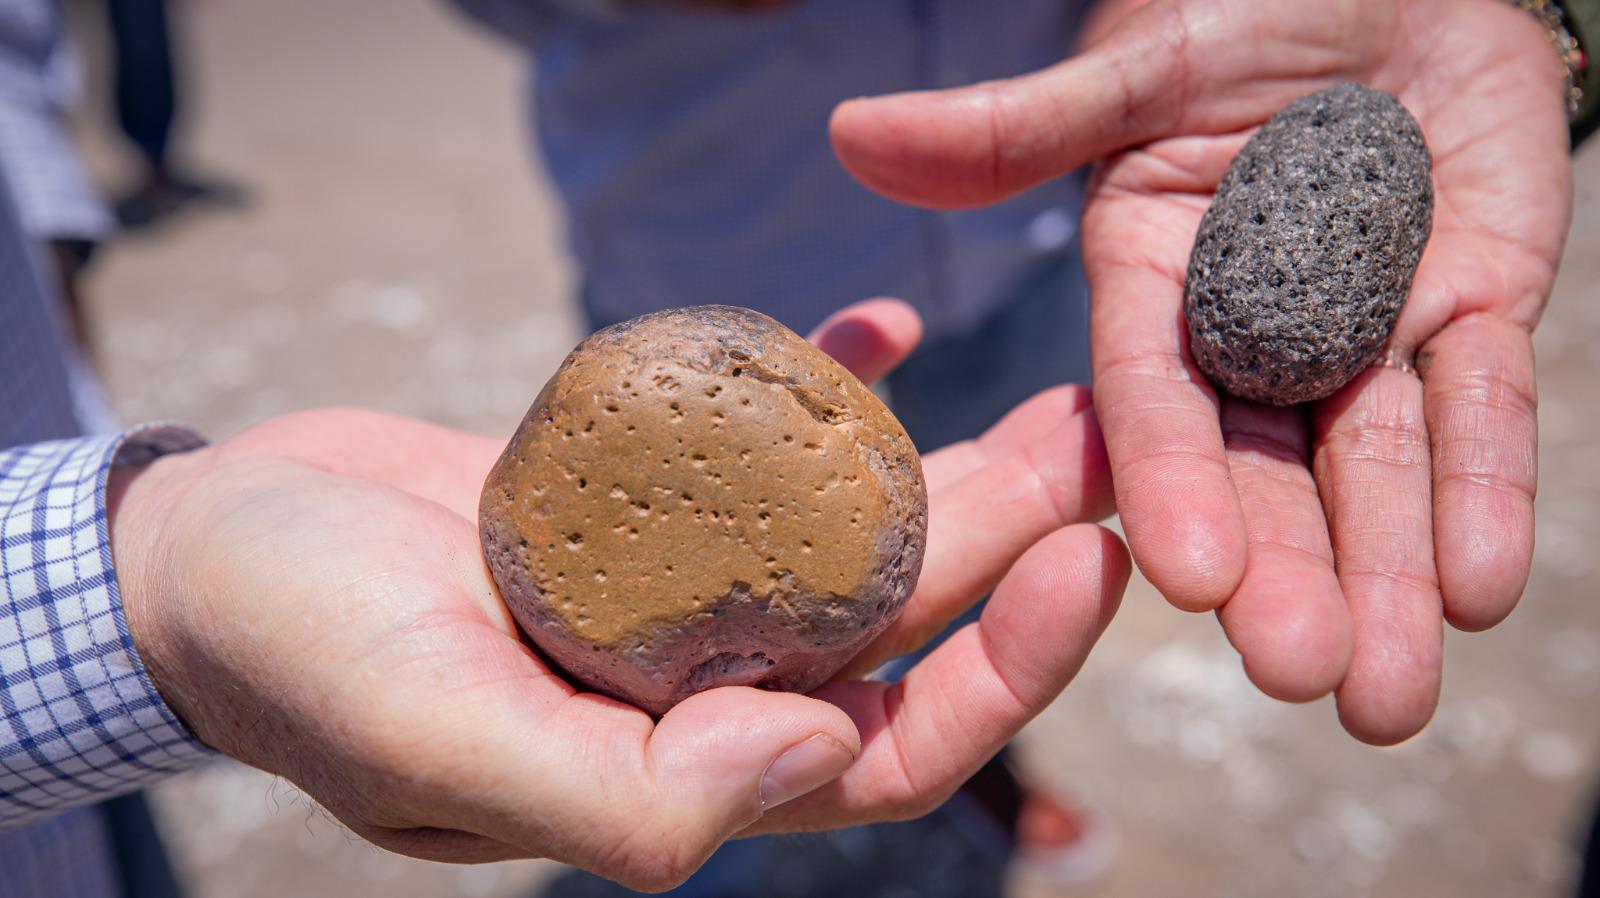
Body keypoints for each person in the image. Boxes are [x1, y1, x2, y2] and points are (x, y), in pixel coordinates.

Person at [449, 0, 1583, 891]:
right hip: (712, 243)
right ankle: (744, 822)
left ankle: (984, 775)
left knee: (978, 566)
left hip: (1038, 239)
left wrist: (1537, 18)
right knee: (767, 660)